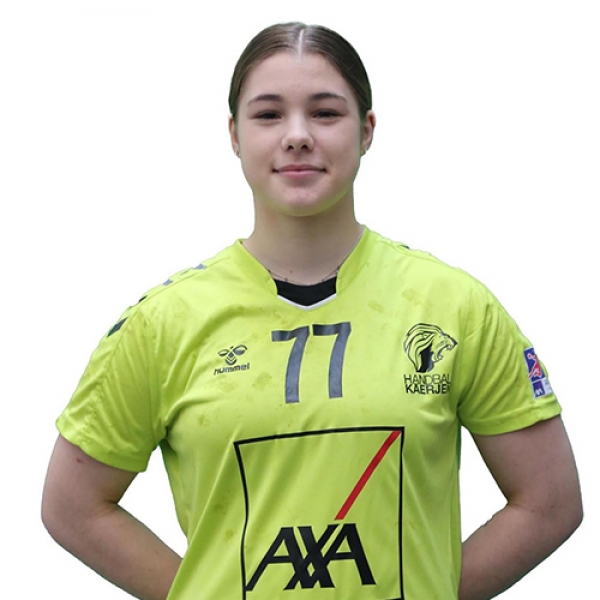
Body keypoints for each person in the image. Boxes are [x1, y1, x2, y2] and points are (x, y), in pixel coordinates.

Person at [42, 22, 582, 600]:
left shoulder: (455, 308)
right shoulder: (161, 324)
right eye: (269, 114)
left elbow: (548, 503)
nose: (297, 136)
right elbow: (74, 506)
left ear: (366, 130)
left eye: (325, 113)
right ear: (234, 134)